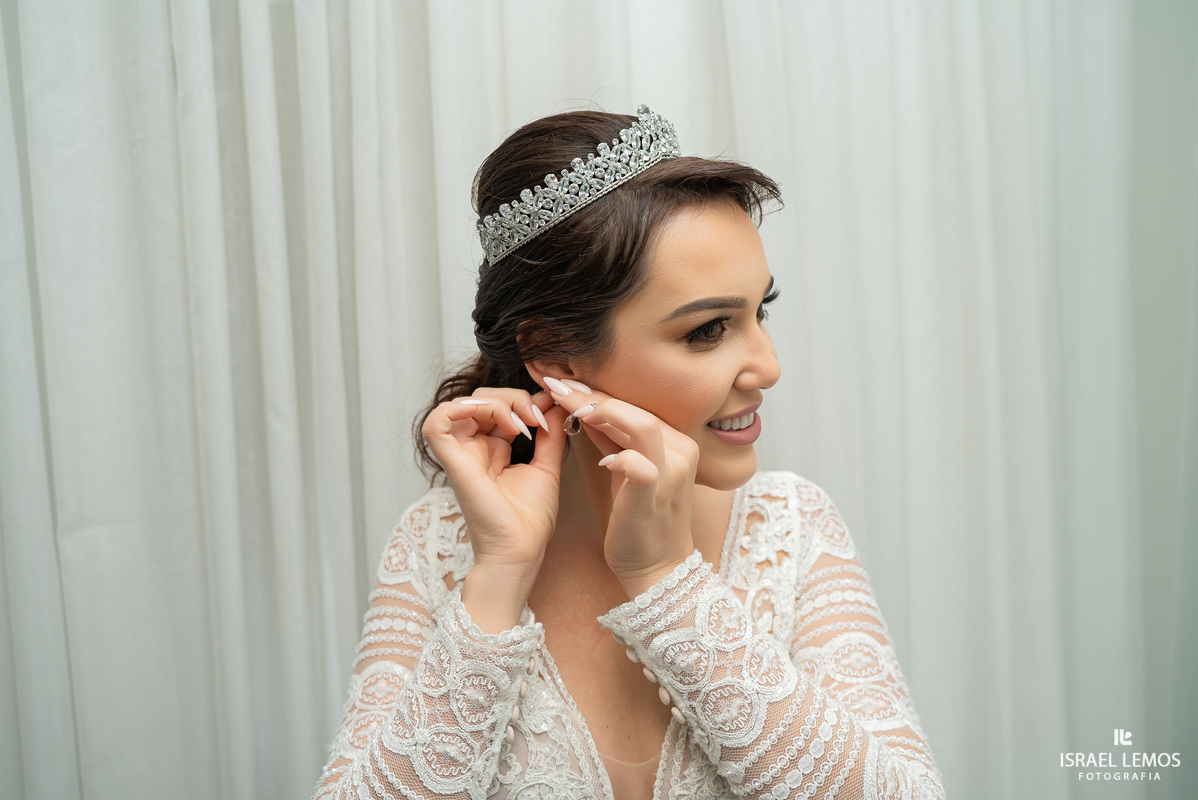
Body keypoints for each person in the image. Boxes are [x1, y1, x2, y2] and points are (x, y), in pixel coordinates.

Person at [312, 105, 944, 800]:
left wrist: (668, 580)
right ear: (556, 356)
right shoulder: (437, 545)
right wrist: (499, 575)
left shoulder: (790, 526)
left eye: (759, 312)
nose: (767, 366)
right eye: (708, 330)